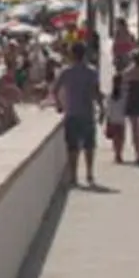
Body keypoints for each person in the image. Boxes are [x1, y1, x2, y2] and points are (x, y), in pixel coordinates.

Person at [50, 41, 102, 188]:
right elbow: (96, 92)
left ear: (72, 55)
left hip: (72, 112)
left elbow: (54, 89)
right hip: (87, 112)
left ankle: (73, 176)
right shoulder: (91, 71)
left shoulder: (66, 72)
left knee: (72, 146)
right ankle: (89, 173)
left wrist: (59, 105)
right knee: (89, 145)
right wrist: (102, 108)